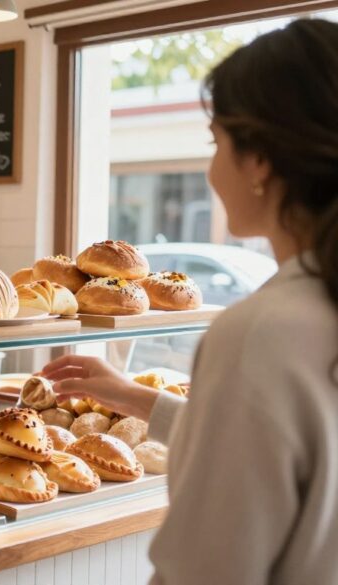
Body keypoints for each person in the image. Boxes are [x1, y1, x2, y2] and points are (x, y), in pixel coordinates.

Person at [41, 19, 338, 585]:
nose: (211, 168)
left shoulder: (260, 334)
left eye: (216, 141)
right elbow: (274, 452)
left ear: (260, 162)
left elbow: (206, 569)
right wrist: (129, 396)